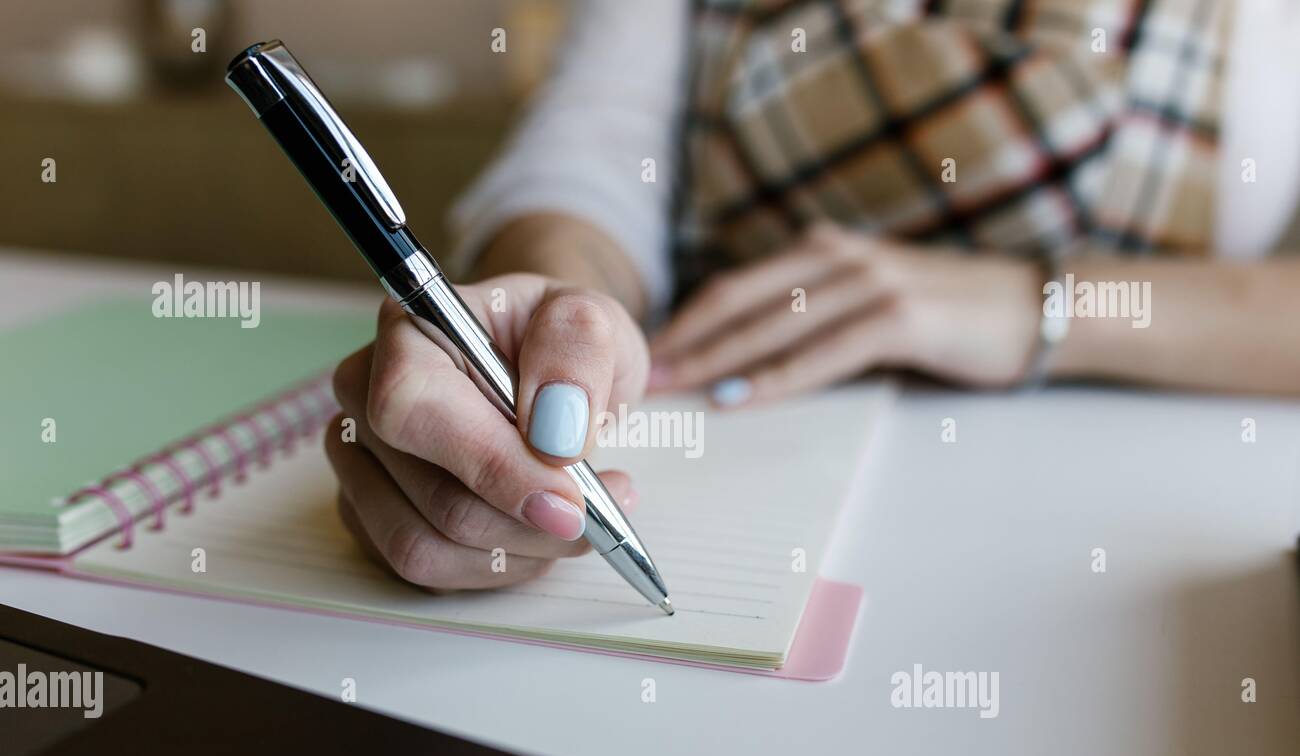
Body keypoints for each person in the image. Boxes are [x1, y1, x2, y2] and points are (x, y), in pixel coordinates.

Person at [327, 0, 1300, 591]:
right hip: (724, 446)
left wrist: (1024, 306)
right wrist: (563, 314)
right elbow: (591, 164)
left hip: (1138, 500)